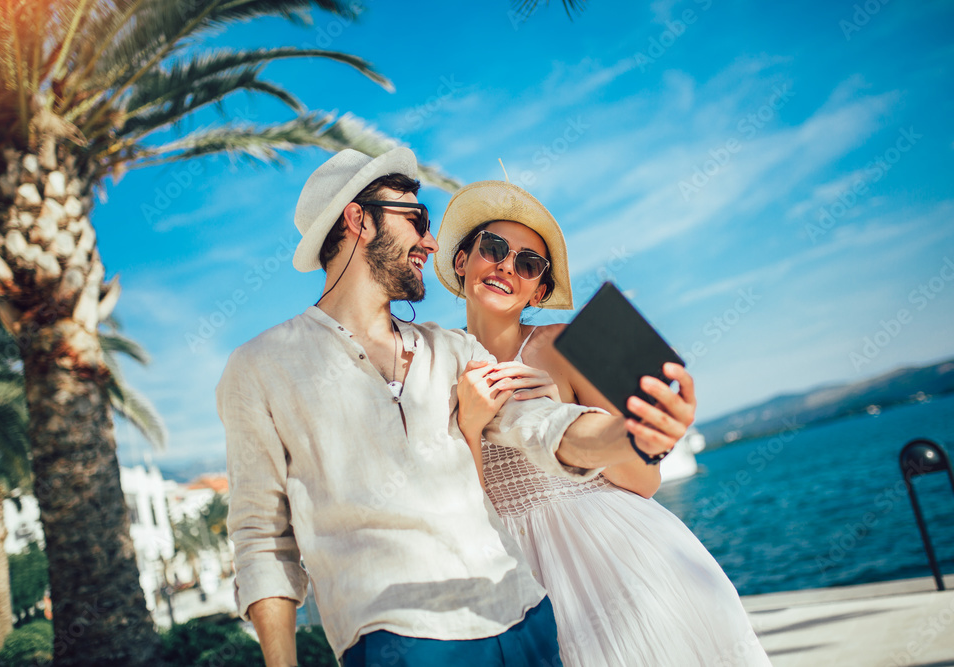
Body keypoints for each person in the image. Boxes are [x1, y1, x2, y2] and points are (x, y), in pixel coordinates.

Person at [215, 148, 688, 667]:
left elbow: (544, 426)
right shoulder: (259, 367)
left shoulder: (453, 350)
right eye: (416, 221)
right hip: (398, 637)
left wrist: (634, 433)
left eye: (529, 264)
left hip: (527, 615)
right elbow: (262, 539)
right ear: (358, 219)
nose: (431, 241)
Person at [435, 179, 773, 667]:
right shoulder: (433, 364)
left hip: (619, 556)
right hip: (509, 572)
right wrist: (471, 425)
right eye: (494, 248)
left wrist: (574, 419)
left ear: (539, 288)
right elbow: (459, 505)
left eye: (528, 264)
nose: (507, 266)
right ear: (462, 260)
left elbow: (645, 481)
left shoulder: (564, 346)